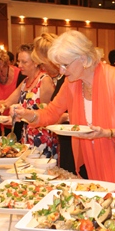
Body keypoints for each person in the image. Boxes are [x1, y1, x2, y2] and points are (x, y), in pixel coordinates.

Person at [12, 30, 115, 193]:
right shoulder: (72, 83)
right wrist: (28, 114)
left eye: (65, 65)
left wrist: (108, 133)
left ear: (83, 58)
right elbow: (53, 112)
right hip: (92, 159)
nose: (61, 71)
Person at [0, 43, 56, 157]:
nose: (19, 65)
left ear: (35, 63)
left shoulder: (44, 80)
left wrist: (24, 116)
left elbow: (48, 114)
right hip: (26, 136)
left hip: (41, 137)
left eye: (24, 62)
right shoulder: (25, 82)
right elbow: (6, 103)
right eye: (18, 61)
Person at [31, 33, 75, 173]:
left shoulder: (69, 78)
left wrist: (63, 117)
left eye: (42, 63)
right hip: (62, 138)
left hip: (72, 142)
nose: (42, 69)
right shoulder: (57, 78)